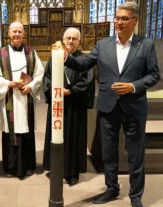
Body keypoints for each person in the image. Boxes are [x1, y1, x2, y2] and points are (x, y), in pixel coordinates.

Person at [63, 2, 160, 207]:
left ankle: (136, 197)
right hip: (108, 107)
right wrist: (67, 57)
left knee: (135, 155)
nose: (118, 22)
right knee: (108, 153)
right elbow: (83, 63)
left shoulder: (146, 45)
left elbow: (154, 75)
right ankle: (111, 189)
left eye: (124, 18)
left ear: (135, 21)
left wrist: (132, 86)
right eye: (117, 18)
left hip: (134, 107)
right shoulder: (103, 44)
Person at [43, 28, 94, 186]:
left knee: (74, 137)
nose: (70, 41)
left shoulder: (84, 59)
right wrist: (56, 90)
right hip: (57, 104)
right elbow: (47, 78)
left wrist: (70, 91)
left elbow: (88, 81)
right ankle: (56, 169)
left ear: (79, 41)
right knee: (55, 135)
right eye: (68, 38)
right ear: (63, 39)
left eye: (74, 38)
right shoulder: (54, 58)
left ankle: (72, 173)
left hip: (75, 106)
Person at [0, 21, 44, 179]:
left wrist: (31, 87)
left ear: (23, 34)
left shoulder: (31, 52)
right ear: (8, 33)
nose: (16, 34)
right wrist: (9, 83)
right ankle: (10, 167)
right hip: (9, 98)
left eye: (19, 32)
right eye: (14, 31)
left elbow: (39, 74)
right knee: (11, 131)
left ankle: (28, 166)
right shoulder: (1, 54)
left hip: (25, 97)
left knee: (26, 130)